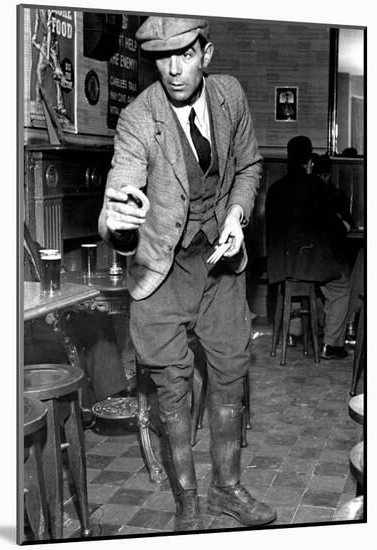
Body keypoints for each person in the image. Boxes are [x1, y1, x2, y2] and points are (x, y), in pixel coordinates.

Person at [98, 16, 276, 531]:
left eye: (185, 54)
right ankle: (189, 503)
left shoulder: (229, 97)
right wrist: (120, 222)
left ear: (207, 53)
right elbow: (122, 191)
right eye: (162, 57)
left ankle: (227, 489)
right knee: (172, 389)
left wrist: (237, 217)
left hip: (220, 267)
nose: (173, 70)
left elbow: (248, 167)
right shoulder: (138, 119)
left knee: (230, 372)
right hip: (161, 270)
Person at [23, 224, 130, 417]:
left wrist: (71, 297)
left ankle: (112, 401)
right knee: (68, 335)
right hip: (28, 326)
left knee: (97, 320)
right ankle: (84, 411)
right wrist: (48, 311)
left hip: (50, 310)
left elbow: (42, 257)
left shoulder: (21, 230)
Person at [265, 136, 351, 360]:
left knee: (295, 281)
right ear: (309, 161)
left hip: (281, 267)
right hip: (309, 265)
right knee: (342, 287)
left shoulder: (274, 190)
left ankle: (293, 333)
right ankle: (331, 345)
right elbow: (333, 228)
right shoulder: (317, 187)